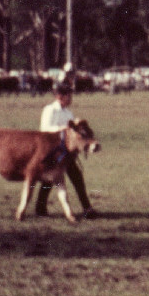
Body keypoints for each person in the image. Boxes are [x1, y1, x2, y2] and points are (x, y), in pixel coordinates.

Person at [35, 80, 96, 218]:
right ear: (60, 96)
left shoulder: (68, 113)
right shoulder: (49, 110)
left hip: (67, 153)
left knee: (77, 178)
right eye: (68, 95)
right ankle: (40, 207)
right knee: (48, 181)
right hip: (53, 151)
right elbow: (44, 129)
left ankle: (87, 208)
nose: (71, 98)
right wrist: (62, 128)